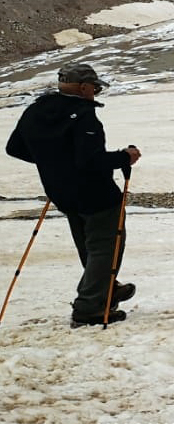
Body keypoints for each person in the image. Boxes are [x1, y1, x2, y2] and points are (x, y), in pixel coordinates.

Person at [5, 63, 141, 327]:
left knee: (87, 245)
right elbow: (90, 161)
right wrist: (125, 157)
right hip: (96, 194)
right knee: (105, 247)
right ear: (83, 87)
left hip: (62, 192)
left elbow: (14, 148)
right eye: (95, 87)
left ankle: (105, 289)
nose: (96, 91)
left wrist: (54, 164)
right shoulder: (83, 115)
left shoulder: (37, 109)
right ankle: (89, 307)